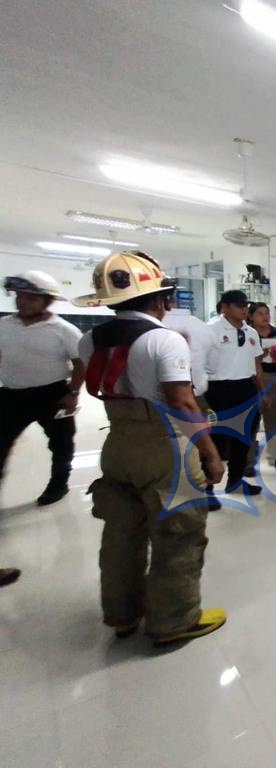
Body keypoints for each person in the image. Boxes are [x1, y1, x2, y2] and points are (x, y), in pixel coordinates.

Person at [74, 250, 226, 645]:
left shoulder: (90, 340)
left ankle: (122, 615)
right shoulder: (164, 339)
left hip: (118, 443)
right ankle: (174, 621)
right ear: (161, 299)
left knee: (121, 534)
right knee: (178, 534)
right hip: (165, 446)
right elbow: (183, 403)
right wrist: (210, 453)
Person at [0, 270, 85, 505]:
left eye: (31, 297)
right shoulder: (4, 325)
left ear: (47, 301)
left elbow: (81, 364)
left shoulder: (64, 330)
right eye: (19, 296)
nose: (22, 301)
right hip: (11, 395)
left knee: (62, 444)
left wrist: (73, 393)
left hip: (52, 395)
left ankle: (58, 485)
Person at [206, 290, 265, 495]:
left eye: (245, 305)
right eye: (238, 305)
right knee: (215, 440)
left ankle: (235, 481)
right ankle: (207, 488)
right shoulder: (211, 329)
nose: (243, 309)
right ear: (224, 307)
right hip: (218, 390)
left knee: (243, 438)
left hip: (245, 388)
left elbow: (257, 364)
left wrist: (262, 391)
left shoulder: (251, 332)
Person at [246, 302, 276, 475]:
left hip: (275, 377)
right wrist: (260, 354)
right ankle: (248, 461)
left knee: (273, 419)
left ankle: (275, 456)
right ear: (251, 316)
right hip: (253, 378)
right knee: (252, 422)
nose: (265, 317)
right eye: (260, 313)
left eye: (267, 313)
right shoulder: (247, 334)